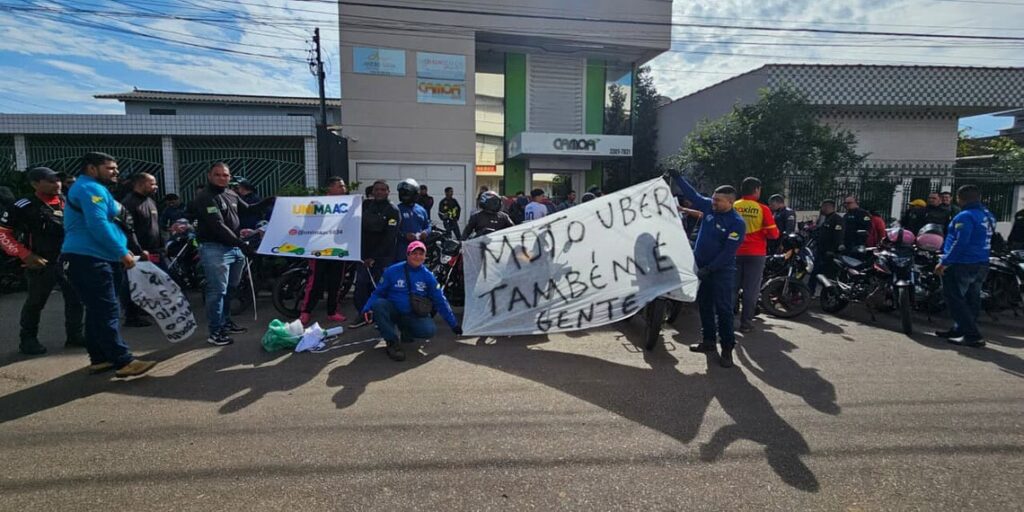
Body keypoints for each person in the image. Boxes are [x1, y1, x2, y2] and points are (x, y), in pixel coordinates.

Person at [62, 152, 155, 377]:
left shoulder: (92, 188)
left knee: (97, 311)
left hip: (96, 258)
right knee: (106, 310)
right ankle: (123, 360)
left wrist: (121, 250)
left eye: (116, 168)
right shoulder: (90, 189)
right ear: (92, 169)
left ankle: (100, 359)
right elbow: (98, 225)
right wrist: (121, 252)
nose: (116, 172)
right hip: (90, 259)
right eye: (110, 168)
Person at [0, 166, 85, 355]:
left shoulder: (67, 201)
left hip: (69, 259)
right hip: (41, 262)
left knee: (75, 299)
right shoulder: (23, 205)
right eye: (51, 181)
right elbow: (3, 233)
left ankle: (75, 335)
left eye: (58, 180)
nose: (57, 184)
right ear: (35, 184)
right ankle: (28, 339)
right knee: (36, 302)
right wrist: (24, 254)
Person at [190, 162, 274, 346]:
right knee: (217, 291)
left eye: (225, 175)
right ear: (209, 176)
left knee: (231, 289)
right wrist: (241, 244)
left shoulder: (231, 193)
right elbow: (217, 225)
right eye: (218, 174)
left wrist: (270, 200)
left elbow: (249, 209)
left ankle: (225, 322)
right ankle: (215, 331)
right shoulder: (205, 197)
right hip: (214, 248)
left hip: (234, 247)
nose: (222, 178)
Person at [671, 172, 745, 368]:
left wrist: (710, 268)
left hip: (721, 272)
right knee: (704, 306)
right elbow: (693, 195)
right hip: (702, 268)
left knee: (723, 310)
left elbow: (728, 253)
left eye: (718, 200)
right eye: (713, 199)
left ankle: (727, 348)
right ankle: (708, 341)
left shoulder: (737, 223)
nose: (713, 203)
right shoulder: (709, 208)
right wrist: (678, 178)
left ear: (730, 202)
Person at [361, 241, 461, 361]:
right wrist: (366, 308)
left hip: (413, 314)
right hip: (393, 310)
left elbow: (440, 300)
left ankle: (405, 330)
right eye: (414, 253)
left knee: (429, 330)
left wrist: (454, 325)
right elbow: (378, 293)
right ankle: (392, 342)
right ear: (407, 254)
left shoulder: (428, 276)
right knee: (379, 305)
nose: (417, 256)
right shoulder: (392, 271)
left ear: (425, 256)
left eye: (421, 254)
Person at [934, 185, 995, 347]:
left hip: (963, 263)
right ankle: (960, 329)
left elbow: (961, 242)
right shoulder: (987, 215)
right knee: (972, 299)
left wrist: (945, 262)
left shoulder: (965, 216)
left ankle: (972, 335)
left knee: (955, 300)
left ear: (960, 198)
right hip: (981, 262)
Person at [299, 177, 350, 326]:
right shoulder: (318, 203)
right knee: (315, 282)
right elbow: (308, 223)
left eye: (344, 186)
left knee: (336, 282)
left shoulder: (347, 204)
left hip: (338, 249)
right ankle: (306, 312)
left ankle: (332, 312)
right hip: (319, 248)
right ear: (330, 188)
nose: (344, 189)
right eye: (340, 186)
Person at [350, 180, 400, 329]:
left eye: (383, 189)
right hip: (364, 256)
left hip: (382, 257)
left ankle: (383, 317)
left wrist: (374, 257)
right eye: (376, 189)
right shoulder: (366, 206)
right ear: (372, 191)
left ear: (388, 192)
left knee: (381, 288)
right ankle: (363, 314)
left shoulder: (392, 210)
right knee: (361, 287)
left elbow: (390, 237)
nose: (379, 192)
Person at [732, 177, 779, 332]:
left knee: (731, 288)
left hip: (734, 252)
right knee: (751, 290)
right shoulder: (763, 209)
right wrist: (762, 231)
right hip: (755, 254)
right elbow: (774, 234)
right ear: (757, 190)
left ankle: (726, 322)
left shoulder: (733, 206)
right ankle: (746, 324)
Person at [121, 172, 164, 328]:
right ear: (139, 184)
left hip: (154, 250)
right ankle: (132, 315)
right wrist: (138, 250)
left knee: (151, 281)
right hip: (138, 253)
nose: (155, 187)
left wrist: (162, 245)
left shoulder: (150, 201)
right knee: (134, 283)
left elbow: (155, 226)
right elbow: (128, 229)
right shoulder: (129, 203)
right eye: (151, 184)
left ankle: (145, 309)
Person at [808, 199, 844, 296]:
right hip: (821, 251)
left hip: (829, 253)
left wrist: (832, 250)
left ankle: (827, 295)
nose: (821, 209)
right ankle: (810, 292)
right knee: (816, 273)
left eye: (822, 207)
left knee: (826, 276)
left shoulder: (837, 219)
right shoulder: (825, 218)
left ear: (828, 207)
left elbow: (838, 237)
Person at [395, 178, 431, 260]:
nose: (404, 195)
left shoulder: (421, 210)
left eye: (407, 193)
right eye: (402, 193)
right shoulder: (396, 210)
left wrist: (426, 232)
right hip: (401, 251)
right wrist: (404, 235)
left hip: (418, 251)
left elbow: (428, 225)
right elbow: (392, 230)